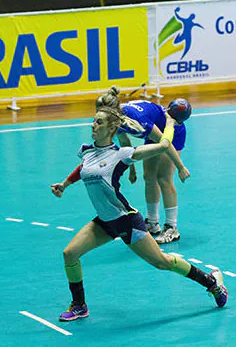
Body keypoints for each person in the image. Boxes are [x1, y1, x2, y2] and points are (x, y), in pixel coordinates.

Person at [51, 106, 227, 321]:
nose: (92, 125)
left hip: (126, 222)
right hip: (104, 221)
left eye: (98, 122)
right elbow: (84, 168)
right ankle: (79, 305)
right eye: (93, 121)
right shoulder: (87, 151)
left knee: (162, 262)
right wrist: (65, 184)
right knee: (69, 254)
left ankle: (212, 282)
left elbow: (163, 145)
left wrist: (169, 125)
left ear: (111, 128)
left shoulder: (122, 155)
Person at [95, 86, 191, 244]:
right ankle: (152, 223)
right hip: (154, 135)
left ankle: (171, 227)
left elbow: (164, 143)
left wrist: (180, 167)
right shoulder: (115, 120)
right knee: (148, 177)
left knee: (164, 178)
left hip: (170, 132)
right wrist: (131, 168)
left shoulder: (137, 117)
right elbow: (125, 143)